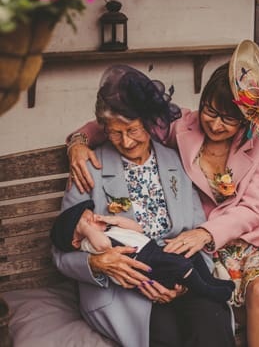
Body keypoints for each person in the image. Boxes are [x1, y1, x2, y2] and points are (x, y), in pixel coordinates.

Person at [67, 41, 259, 347]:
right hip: (200, 246)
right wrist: (77, 141)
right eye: (209, 110)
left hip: (250, 235)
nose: (214, 123)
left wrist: (205, 234)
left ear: (245, 120)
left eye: (228, 118)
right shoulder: (182, 126)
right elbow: (118, 121)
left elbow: (252, 207)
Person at [53, 65, 235, 347]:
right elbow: (61, 247)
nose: (126, 141)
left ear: (150, 123)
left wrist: (184, 283)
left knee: (211, 324)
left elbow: (199, 233)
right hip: (123, 285)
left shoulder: (175, 161)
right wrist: (97, 263)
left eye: (133, 129)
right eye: (115, 133)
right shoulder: (91, 168)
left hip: (179, 273)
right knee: (167, 336)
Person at [51, 199, 236, 303]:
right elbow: (104, 247)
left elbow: (137, 229)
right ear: (76, 240)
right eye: (85, 223)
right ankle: (204, 290)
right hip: (144, 262)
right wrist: (87, 229)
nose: (92, 222)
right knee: (179, 265)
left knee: (189, 253)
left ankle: (210, 280)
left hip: (153, 250)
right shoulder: (88, 244)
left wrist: (114, 220)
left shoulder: (109, 229)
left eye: (91, 217)